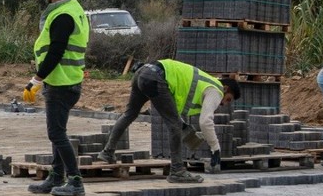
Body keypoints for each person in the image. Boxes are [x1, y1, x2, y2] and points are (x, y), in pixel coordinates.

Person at [96, 59, 239, 184]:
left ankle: (108, 152)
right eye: (228, 99)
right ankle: (177, 171)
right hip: (157, 77)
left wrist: (182, 125)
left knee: (130, 114)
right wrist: (215, 148)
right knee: (174, 126)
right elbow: (206, 121)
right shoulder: (216, 90)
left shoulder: (202, 82)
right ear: (225, 88)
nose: (224, 104)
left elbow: (172, 106)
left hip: (144, 72)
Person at [24, 0, 90, 196]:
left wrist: (36, 79)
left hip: (61, 83)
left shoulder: (63, 15)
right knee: (58, 131)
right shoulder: (75, 10)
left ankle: (75, 181)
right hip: (68, 80)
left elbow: (56, 52)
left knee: (56, 134)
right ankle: (56, 176)